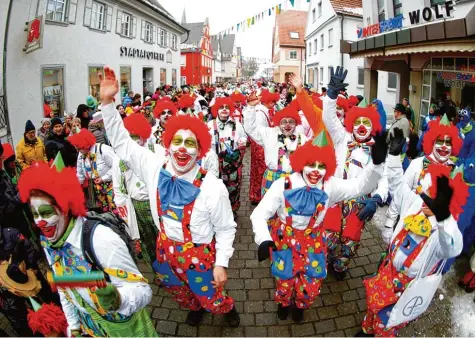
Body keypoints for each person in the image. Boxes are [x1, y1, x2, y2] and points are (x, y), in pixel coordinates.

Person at [99, 66, 240, 327]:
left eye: (190, 144)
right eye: (177, 142)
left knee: (211, 293)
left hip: (200, 255)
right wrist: (108, 103)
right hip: (166, 250)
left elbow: (226, 228)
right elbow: (123, 144)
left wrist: (221, 263)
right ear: (168, 144)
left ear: (200, 150)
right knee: (179, 291)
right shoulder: (154, 166)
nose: (182, 149)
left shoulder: (213, 187)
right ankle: (194, 306)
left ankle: (225, 308)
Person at [251, 128, 386, 322]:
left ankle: (300, 304)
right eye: (310, 165)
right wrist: (263, 239)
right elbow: (259, 214)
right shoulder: (283, 184)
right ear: (301, 163)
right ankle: (284, 302)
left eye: (321, 166)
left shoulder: (330, 185)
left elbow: (359, 187)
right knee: (284, 277)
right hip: (284, 240)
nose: (315, 171)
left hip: (313, 240)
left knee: (312, 280)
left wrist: (376, 164)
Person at [18, 161, 156, 337]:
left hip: (126, 328)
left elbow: (143, 291)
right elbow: (64, 288)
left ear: (66, 207)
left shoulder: (102, 240)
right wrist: (74, 327)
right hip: (90, 328)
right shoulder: (50, 244)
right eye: (35, 214)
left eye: (46, 212)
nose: (40, 222)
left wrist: (119, 299)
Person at [356, 128, 467, 337]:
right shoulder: (416, 202)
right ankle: (366, 329)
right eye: (428, 193)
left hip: (406, 287)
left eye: (436, 198)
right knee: (372, 306)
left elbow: (454, 247)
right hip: (386, 271)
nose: (428, 200)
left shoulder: (442, 230)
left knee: (386, 324)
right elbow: (398, 186)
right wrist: (395, 156)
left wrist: (443, 217)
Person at [315, 66, 388, 280]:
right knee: (327, 234)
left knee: (350, 240)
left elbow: (383, 177)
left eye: (367, 122)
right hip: (336, 195)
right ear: (351, 123)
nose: (362, 126)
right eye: (358, 122)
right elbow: (328, 117)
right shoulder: (342, 137)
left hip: (359, 201)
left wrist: (376, 198)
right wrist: (331, 95)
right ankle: (323, 261)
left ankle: (340, 266)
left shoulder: (377, 149)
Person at [382, 115, 463, 243]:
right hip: (408, 228)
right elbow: (399, 192)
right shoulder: (417, 164)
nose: (444, 146)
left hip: (435, 237)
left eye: (448, 142)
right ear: (432, 142)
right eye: (440, 141)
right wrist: (389, 223)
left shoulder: (455, 171)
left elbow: (456, 206)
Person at [112, 113, 157, 267]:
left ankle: (170, 270)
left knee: (163, 237)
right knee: (146, 240)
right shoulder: (119, 159)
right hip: (136, 205)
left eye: (136, 136)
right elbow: (117, 186)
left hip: (156, 203)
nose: (134, 140)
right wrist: (122, 209)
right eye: (130, 136)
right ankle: (155, 268)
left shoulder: (155, 151)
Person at [244, 96, 308, 198]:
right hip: (272, 177)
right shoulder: (269, 134)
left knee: (290, 210)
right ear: (278, 123)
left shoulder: (303, 139)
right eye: (284, 122)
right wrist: (251, 107)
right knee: (271, 210)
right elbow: (250, 129)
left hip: (295, 179)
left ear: (296, 124)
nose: (287, 125)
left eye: (291, 122)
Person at [208, 97, 247, 214]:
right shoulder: (210, 125)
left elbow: (243, 136)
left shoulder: (237, 124)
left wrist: (242, 141)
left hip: (233, 164)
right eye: (221, 107)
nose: (224, 110)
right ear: (216, 110)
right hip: (216, 165)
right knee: (217, 191)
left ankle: (232, 212)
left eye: (226, 107)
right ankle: (219, 214)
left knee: (233, 190)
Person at [69, 129, 117, 213]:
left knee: (115, 209)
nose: (78, 150)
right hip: (95, 189)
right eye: (76, 148)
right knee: (104, 211)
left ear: (86, 145)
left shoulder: (103, 149)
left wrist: (104, 178)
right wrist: (75, 188)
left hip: (110, 186)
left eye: (79, 148)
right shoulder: (81, 154)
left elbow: (117, 167)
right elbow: (80, 173)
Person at [247, 89, 280, 204]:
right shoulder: (260, 112)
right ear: (268, 101)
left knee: (259, 171)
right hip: (260, 145)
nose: (274, 104)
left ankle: (258, 194)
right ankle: (257, 195)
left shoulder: (266, 111)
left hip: (264, 143)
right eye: (273, 102)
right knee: (260, 171)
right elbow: (258, 131)